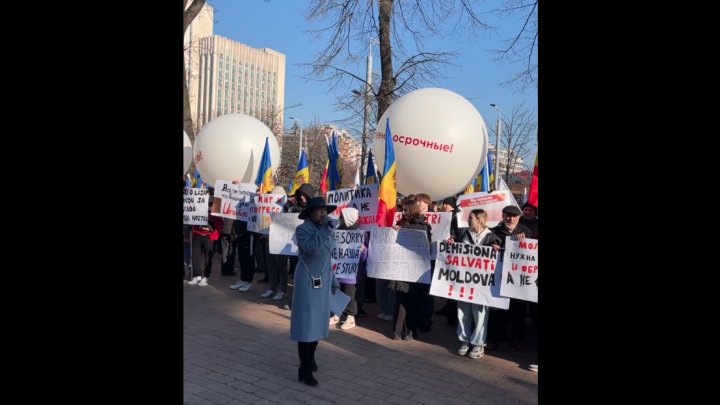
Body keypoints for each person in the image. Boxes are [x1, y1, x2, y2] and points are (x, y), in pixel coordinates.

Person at [290, 196, 340, 387]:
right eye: (319, 210)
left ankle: (310, 359)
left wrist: (333, 280)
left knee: (318, 324)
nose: (323, 213)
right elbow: (312, 249)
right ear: (310, 213)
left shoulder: (327, 230)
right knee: (306, 325)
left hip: (323, 281)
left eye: (325, 210)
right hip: (307, 281)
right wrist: (325, 230)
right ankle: (304, 367)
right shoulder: (302, 230)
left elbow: (327, 257)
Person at [447, 209, 501, 359]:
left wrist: (496, 249)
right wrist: (451, 243)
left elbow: (499, 251)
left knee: (480, 314)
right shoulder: (464, 234)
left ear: (479, 219)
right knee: (463, 313)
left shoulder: (491, 237)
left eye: (471, 217)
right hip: (464, 283)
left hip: (481, 286)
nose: (468, 220)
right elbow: (454, 251)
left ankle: (478, 343)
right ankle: (464, 340)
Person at [487, 205, 532, 352]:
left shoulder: (526, 231)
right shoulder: (494, 231)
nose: (510, 218)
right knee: (496, 310)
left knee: (518, 311)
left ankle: (517, 340)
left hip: (518, 279)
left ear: (519, 218)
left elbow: (532, 253)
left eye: (513, 216)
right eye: (507, 215)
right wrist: (492, 246)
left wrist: (524, 242)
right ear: (502, 215)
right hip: (499, 277)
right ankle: (493, 339)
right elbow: (487, 248)